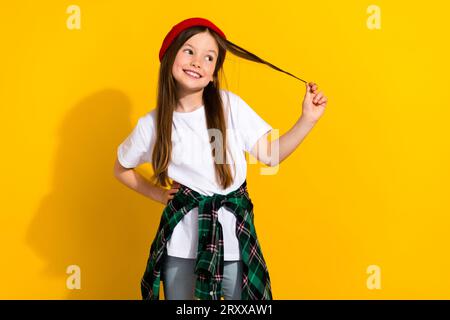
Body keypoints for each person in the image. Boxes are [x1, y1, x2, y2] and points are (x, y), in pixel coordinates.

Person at [114, 17, 328, 300]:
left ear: (214, 72)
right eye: (189, 51)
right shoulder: (151, 124)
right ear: (169, 57)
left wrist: (307, 119)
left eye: (209, 57)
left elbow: (271, 155)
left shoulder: (230, 106)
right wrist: (157, 194)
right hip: (181, 251)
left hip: (234, 246)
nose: (197, 62)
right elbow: (121, 168)